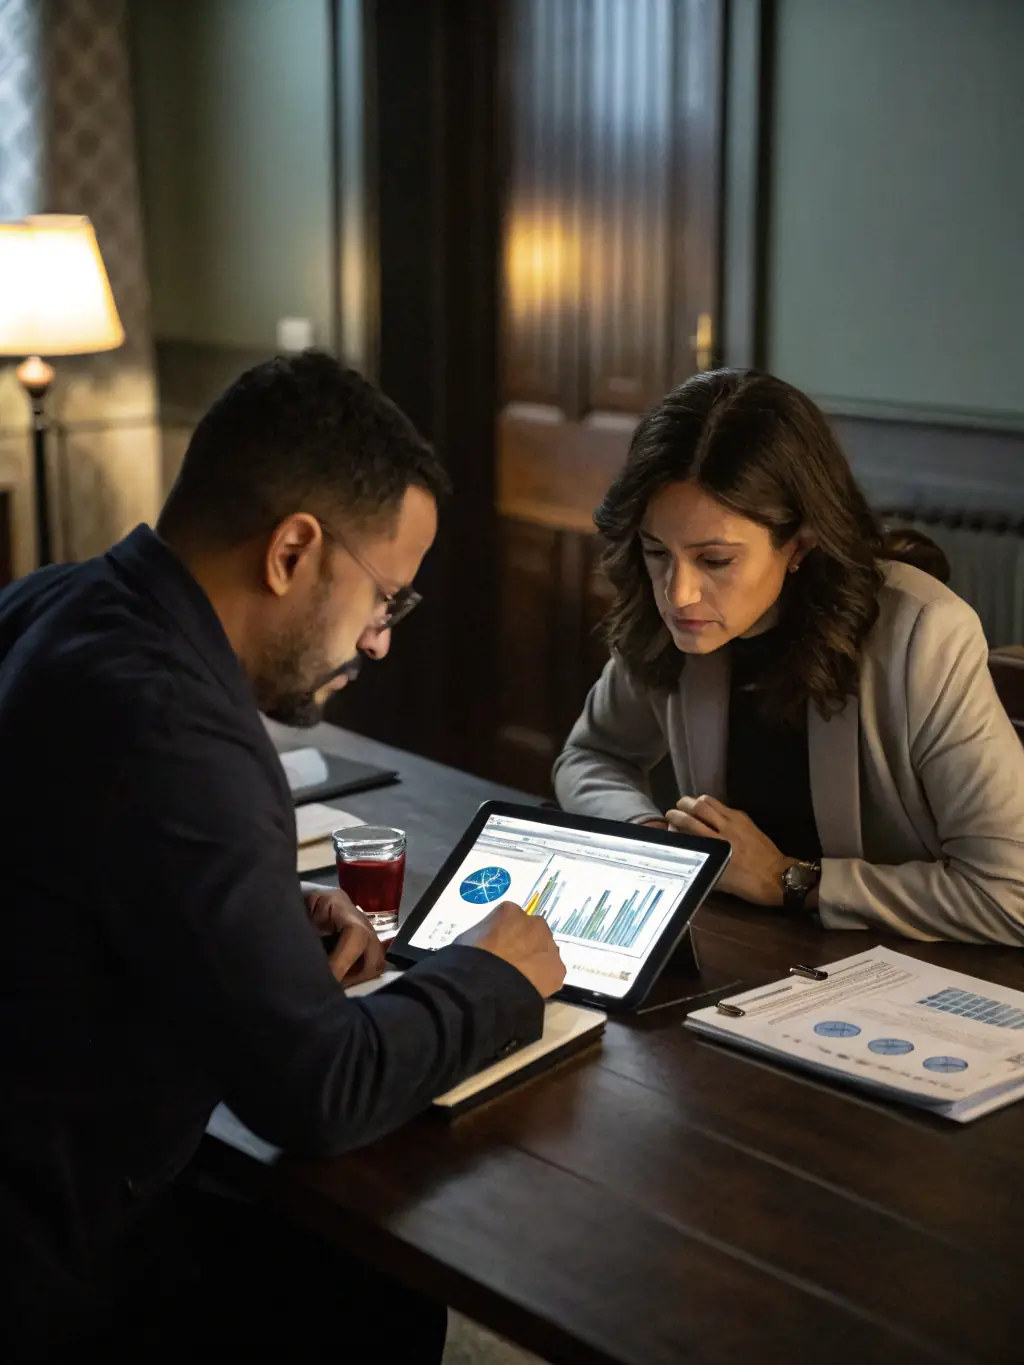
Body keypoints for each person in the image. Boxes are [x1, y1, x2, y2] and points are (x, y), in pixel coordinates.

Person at [0, 350, 565, 1362]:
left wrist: (259, 902)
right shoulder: (181, 733)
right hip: (54, 1261)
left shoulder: (52, 603)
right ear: (293, 550)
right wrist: (495, 977)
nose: (382, 639)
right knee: (372, 1285)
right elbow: (320, 1091)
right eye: (385, 596)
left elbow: (89, 878)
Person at [554, 368, 1024, 944]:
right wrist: (650, 833)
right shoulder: (668, 619)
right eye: (657, 551)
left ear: (800, 544)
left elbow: (1011, 894)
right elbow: (591, 755)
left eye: (716, 560)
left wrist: (789, 881)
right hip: (743, 952)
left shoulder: (926, 635)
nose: (678, 594)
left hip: (901, 978)